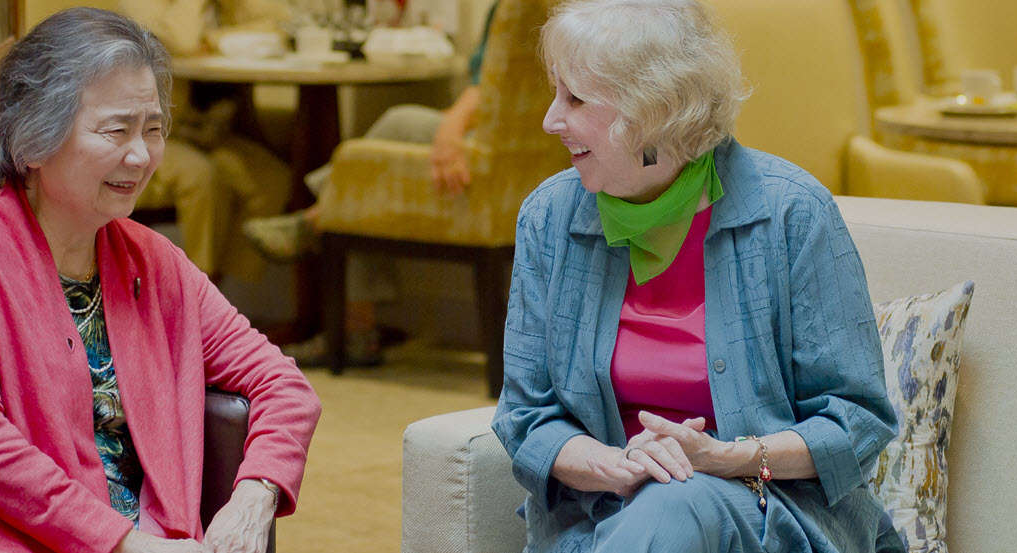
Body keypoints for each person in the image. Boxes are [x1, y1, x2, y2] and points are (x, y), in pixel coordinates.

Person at [0, 9, 322, 553]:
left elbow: (283, 384)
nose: (141, 155)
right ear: (33, 140)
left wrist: (256, 494)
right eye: (116, 130)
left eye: (153, 129)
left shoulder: (156, 264)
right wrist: (126, 545)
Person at [491, 1, 904, 551]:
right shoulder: (549, 218)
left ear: (652, 111)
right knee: (662, 505)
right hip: (600, 517)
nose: (550, 120)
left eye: (575, 98)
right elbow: (526, 417)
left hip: (771, 517)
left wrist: (722, 458)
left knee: (675, 501)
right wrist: (618, 465)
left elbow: (857, 420)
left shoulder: (791, 213)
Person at [239, 1, 502, 365]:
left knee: (381, 145)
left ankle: (316, 222)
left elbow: (490, 84)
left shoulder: (520, 7)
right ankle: (325, 228)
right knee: (365, 175)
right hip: (516, 149)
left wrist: (451, 129)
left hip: (491, 151)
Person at [117, 0, 295, 284]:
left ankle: (223, 295)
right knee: (203, 177)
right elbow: (184, 41)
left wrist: (213, 39)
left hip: (209, 131)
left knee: (272, 179)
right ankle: (198, 293)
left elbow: (279, 27)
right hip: (155, 134)